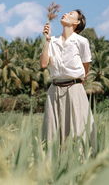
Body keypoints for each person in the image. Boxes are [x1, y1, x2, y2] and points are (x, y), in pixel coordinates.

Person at [40, 9, 95, 146]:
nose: (65, 14)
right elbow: (43, 64)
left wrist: (77, 84)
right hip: (54, 91)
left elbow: (85, 67)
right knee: (52, 133)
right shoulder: (52, 41)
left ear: (76, 23)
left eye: (70, 14)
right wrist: (46, 39)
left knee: (78, 132)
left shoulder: (82, 42)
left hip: (75, 89)